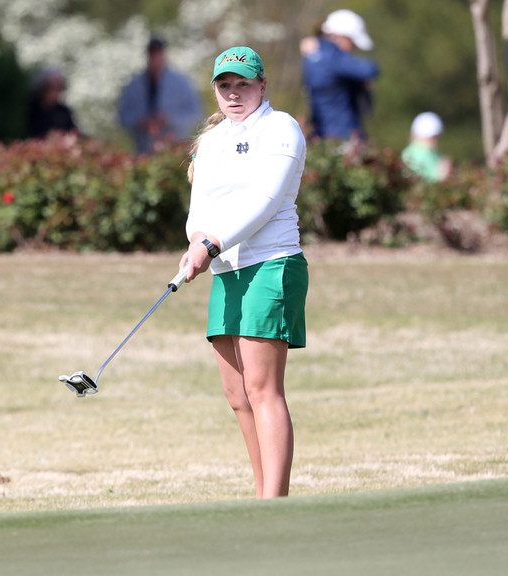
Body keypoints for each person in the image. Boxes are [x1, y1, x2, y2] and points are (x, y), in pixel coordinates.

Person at [178, 47, 308, 499]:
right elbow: (199, 210)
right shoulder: (211, 141)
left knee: (262, 388)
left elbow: (265, 202)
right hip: (226, 270)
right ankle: (259, 500)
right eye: (224, 85)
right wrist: (197, 241)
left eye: (243, 84)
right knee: (237, 394)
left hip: (271, 263)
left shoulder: (281, 128)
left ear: (262, 86)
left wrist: (211, 244)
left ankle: (275, 504)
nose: (233, 94)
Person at [301, 9, 379, 141]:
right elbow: (370, 69)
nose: (354, 49)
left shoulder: (315, 55)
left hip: (323, 132)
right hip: (342, 134)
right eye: (353, 43)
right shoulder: (333, 56)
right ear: (340, 37)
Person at [117, 38, 203, 154]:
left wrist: (169, 119)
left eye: (158, 54)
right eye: (152, 55)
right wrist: (141, 122)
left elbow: (196, 113)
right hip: (143, 151)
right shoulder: (133, 85)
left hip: (175, 150)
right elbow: (122, 117)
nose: (155, 59)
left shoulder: (182, 83)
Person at [27, 66, 78, 138]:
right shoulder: (30, 109)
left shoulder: (64, 111)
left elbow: (74, 133)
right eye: (51, 88)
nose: (54, 93)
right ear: (42, 88)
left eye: (58, 88)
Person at [401, 112, 452, 182]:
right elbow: (416, 180)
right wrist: (441, 175)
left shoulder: (435, 153)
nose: (435, 140)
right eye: (431, 137)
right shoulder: (411, 154)